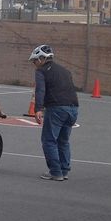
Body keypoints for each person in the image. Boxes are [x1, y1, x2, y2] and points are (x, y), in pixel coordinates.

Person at [30, 44, 79, 181]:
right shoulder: (65, 70)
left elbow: (40, 90)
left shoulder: (42, 71)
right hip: (73, 108)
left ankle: (55, 171)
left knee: (49, 140)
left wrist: (38, 108)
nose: (34, 64)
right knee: (63, 141)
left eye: (35, 61)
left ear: (41, 59)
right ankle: (64, 170)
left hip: (56, 108)